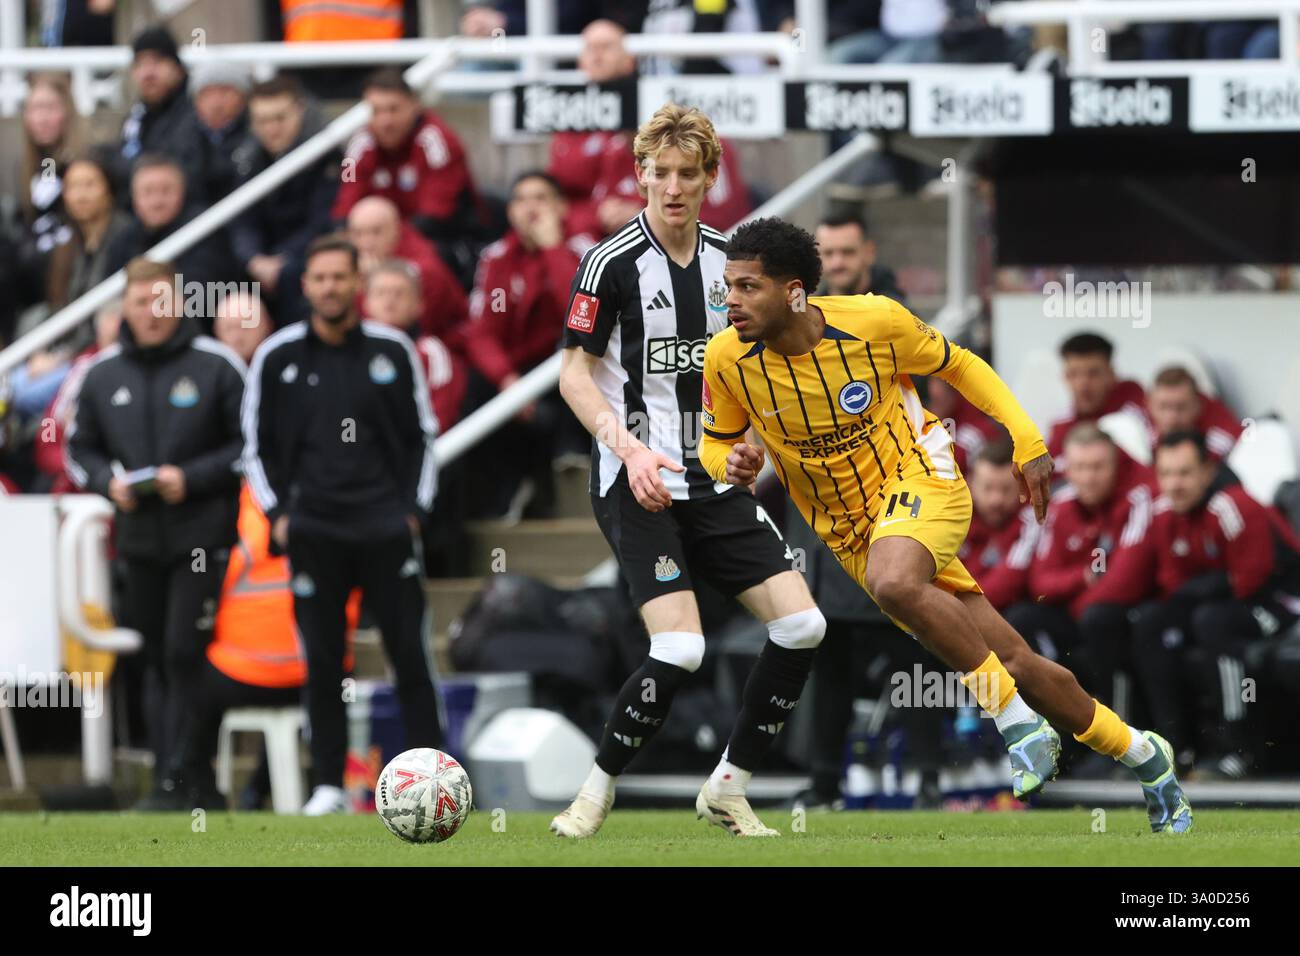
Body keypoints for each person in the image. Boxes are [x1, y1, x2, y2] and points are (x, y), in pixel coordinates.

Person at [700, 217, 1193, 833]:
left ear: (794, 291)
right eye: (728, 286)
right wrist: (734, 462)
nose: (731, 301)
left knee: (895, 582)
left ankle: (1015, 723)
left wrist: (1027, 439)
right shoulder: (725, 357)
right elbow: (716, 444)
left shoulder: (874, 321)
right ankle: (1147, 758)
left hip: (921, 476)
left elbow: (961, 366)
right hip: (849, 530)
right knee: (1012, 657)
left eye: (748, 287)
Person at [552, 104, 825, 839]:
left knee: (802, 625)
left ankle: (727, 788)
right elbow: (573, 376)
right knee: (681, 646)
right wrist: (630, 446)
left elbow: (759, 370)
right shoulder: (609, 265)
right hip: (633, 477)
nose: (673, 188)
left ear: (711, 177)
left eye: (688, 174)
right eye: (659, 173)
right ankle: (595, 793)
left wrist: (755, 445)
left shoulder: (732, 269)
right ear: (639, 174)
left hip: (712, 478)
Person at [242, 234, 443, 815]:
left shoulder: (392, 349)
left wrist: (414, 512)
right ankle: (328, 782)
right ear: (304, 286)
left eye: (340, 276)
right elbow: (254, 448)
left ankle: (432, 778)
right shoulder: (276, 356)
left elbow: (422, 438)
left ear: (358, 282)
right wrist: (279, 516)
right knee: (323, 660)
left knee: (410, 654)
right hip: (314, 531)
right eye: (319, 278)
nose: (330, 287)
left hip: (384, 528)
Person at [65, 257, 246, 809]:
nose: (151, 313)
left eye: (161, 301)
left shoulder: (217, 365)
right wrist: (106, 482)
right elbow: (79, 449)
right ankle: (181, 782)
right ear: (125, 307)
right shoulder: (100, 373)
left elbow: (249, 447)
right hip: (138, 540)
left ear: (181, 304)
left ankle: (184, 779)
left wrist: (190, 478)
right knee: (150, 657)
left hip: (204, 539)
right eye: (141, 302)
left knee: (184, 651)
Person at [1077, 431, 1300, 779]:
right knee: (1151, 622)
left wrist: (1197, 596)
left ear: (1207, 472)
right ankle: (1170, 750)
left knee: (1214, 623)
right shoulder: (1165, 514)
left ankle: (1236, 751)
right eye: (1166, 474)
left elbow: (1250, 579)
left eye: (1184, 473)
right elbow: (1172, 584)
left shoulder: (1234, 505)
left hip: (1279, 603)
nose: (1174, 484)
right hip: (1217, 605)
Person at [546, 20, 753, 237]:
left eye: (606, 47)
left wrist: (643, 218)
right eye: (590, 49)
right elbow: (575, 200)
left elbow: (723, 221)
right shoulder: (591, 136)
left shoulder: (705, 144)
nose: (597, 57)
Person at [331, 68, 482, 278]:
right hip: (378, 240)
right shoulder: (360, 145)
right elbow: (344, 209)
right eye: (376, 111)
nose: (385, 121)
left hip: (444, 240)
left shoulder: (436, 141)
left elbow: (436, 216)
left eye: (393, 109)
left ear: (415, 106)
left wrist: (385, 245)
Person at [229, 74, 339, 327]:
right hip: (260, 261)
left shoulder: (328, 156)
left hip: (303, 257)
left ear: (300, 110)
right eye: (262, 121)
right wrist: (253, 259)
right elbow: (241, 219)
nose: (271, 129)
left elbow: (324, 220)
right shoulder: (246, 159)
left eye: (279, 118)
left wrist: (283, 258)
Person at [103, 154, 237, 298]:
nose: (157, 201)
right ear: (134, 197)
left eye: (166, 191)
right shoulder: (123, 240)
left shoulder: (204, 229)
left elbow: (202, 293)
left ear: (182, 192)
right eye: (148, 192)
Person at [345, 196, 467, 339]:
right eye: (358, 234)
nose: (367, 242)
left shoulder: (425, 270)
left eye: (376, 232)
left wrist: (367, 283)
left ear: (397, 229)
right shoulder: (349, 261)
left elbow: (401, 326)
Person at [114, 26, 207, 205]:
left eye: (157, 61)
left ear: (177, 67)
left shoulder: (197, 111)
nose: (148, 73)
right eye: (140, 64)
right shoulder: (137, 116)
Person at [13, 73, 82, 311]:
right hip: (30, 282)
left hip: (72, 276)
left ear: (67, 112)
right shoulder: (23, 168)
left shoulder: (84, 162)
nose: (42, 118)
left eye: (50, 108)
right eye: (35, 109)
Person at [46, 152, 132, 314]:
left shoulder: (127, 237)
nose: (81, 196)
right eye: (73, 186)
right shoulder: (67, 245)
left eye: (90, 184)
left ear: (109, 189)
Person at [959, 441, 1039, 612]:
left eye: (1006, 489)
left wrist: (954, 605)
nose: (996, 500)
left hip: (1005, 614)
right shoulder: (956, 515)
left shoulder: (1031, 518)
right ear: (971, 485)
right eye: (988, 488)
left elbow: (1011, 580)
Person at [1046, 332, 1149, 465]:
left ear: (1111, 375)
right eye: (1074, 374)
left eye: (1093, 373)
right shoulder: (1061, 428)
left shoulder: (1135, 414)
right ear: (1065, 377)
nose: (1083, 384)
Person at [1147, 365, 1243, 462]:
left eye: (1181, 407)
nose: (1171, 417)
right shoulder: (1139, 427)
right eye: (1163, 407)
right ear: (1149, 404)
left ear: (1198, 405)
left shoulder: (1223, 435)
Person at [191, 61, 253, 204]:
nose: (216, 103)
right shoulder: (181, 138)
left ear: (243, 96)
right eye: (207, 93)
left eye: (225, 91)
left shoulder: (258, 137)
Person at [814, 212, 906, 302]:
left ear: (870, 253)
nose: (837, 263)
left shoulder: (896, 313)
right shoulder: (810, 312)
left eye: (848, 252)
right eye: (828, 253)